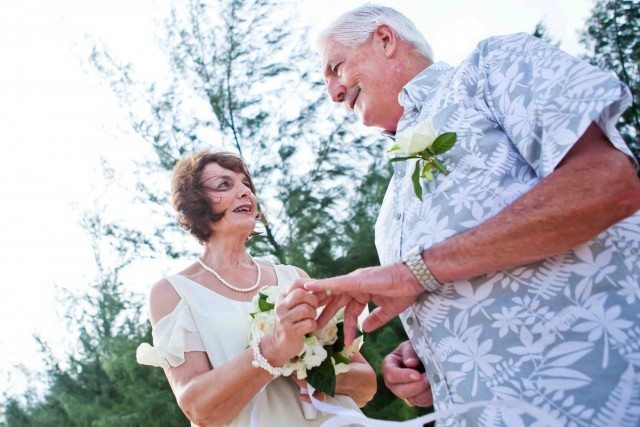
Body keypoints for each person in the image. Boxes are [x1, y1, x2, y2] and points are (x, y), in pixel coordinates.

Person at [303, 5, 640, 426]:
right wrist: (424, 361)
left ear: (385, 39)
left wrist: (415, 273)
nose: (333, 93)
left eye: (336, 68)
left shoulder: (492, 66)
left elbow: (607, 184)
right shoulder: (388, 213)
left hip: (596, 397)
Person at [136, 151, 376, 426]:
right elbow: (199, 411)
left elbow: (367, 385)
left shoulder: (294, 277)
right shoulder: (174, 293)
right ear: (194, 202)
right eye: (224, 185)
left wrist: (305, 364)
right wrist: (272, 350)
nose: (244, 193)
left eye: (246, 184)